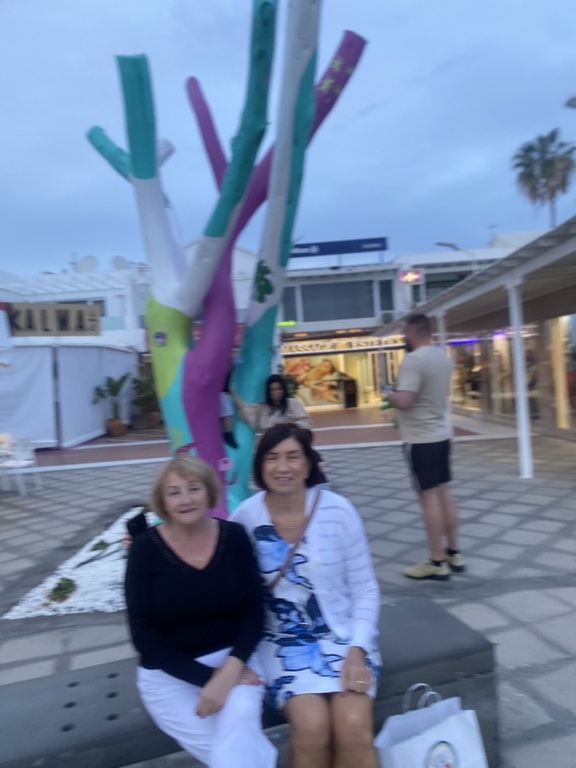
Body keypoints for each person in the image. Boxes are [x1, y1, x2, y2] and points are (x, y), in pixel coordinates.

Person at [232, 423, 380, 768]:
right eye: (272, 457)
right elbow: (219, 575)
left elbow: (365, 588)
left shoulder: (338, 511)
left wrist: (357, 651)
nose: (282, 467)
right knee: (312, 726)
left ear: (309, 463)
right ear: (260, 466)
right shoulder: (245, 519)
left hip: (347, 638)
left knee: (353, 724)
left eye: (293, 456)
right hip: (282, 643)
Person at [124, 455, 277, 768]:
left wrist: (229, 671)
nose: (185, 499)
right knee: (237, 756)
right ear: (163, 502)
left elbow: (255, 610)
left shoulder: (234, 537)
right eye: (174, 492)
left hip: (237, 661)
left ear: (209, 491)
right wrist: (209, 680)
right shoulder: (145, 549)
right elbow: (142, 633)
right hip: (169, 676)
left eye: (194, 488)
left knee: (237, 733)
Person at [385, 312, 464, 581]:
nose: (402, 337)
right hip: (441, 436)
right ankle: (454, 552)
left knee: (429, 499)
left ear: (414, 332)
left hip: (420, 439)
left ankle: (436, 560)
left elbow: (405, 401)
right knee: (445, 494)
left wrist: (390, 395)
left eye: (404, 332)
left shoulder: (414, 360)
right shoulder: (442, 357)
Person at [231, 373, 311, 432]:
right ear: (268, 392)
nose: (276, 392)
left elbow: (305, 423)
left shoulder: (293, 404)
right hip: (270, 444)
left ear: (283, 389)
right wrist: (231, 391)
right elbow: (244, 408)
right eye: (272, 390)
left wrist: (289, 426)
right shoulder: (262, 408)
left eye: (279, 389)